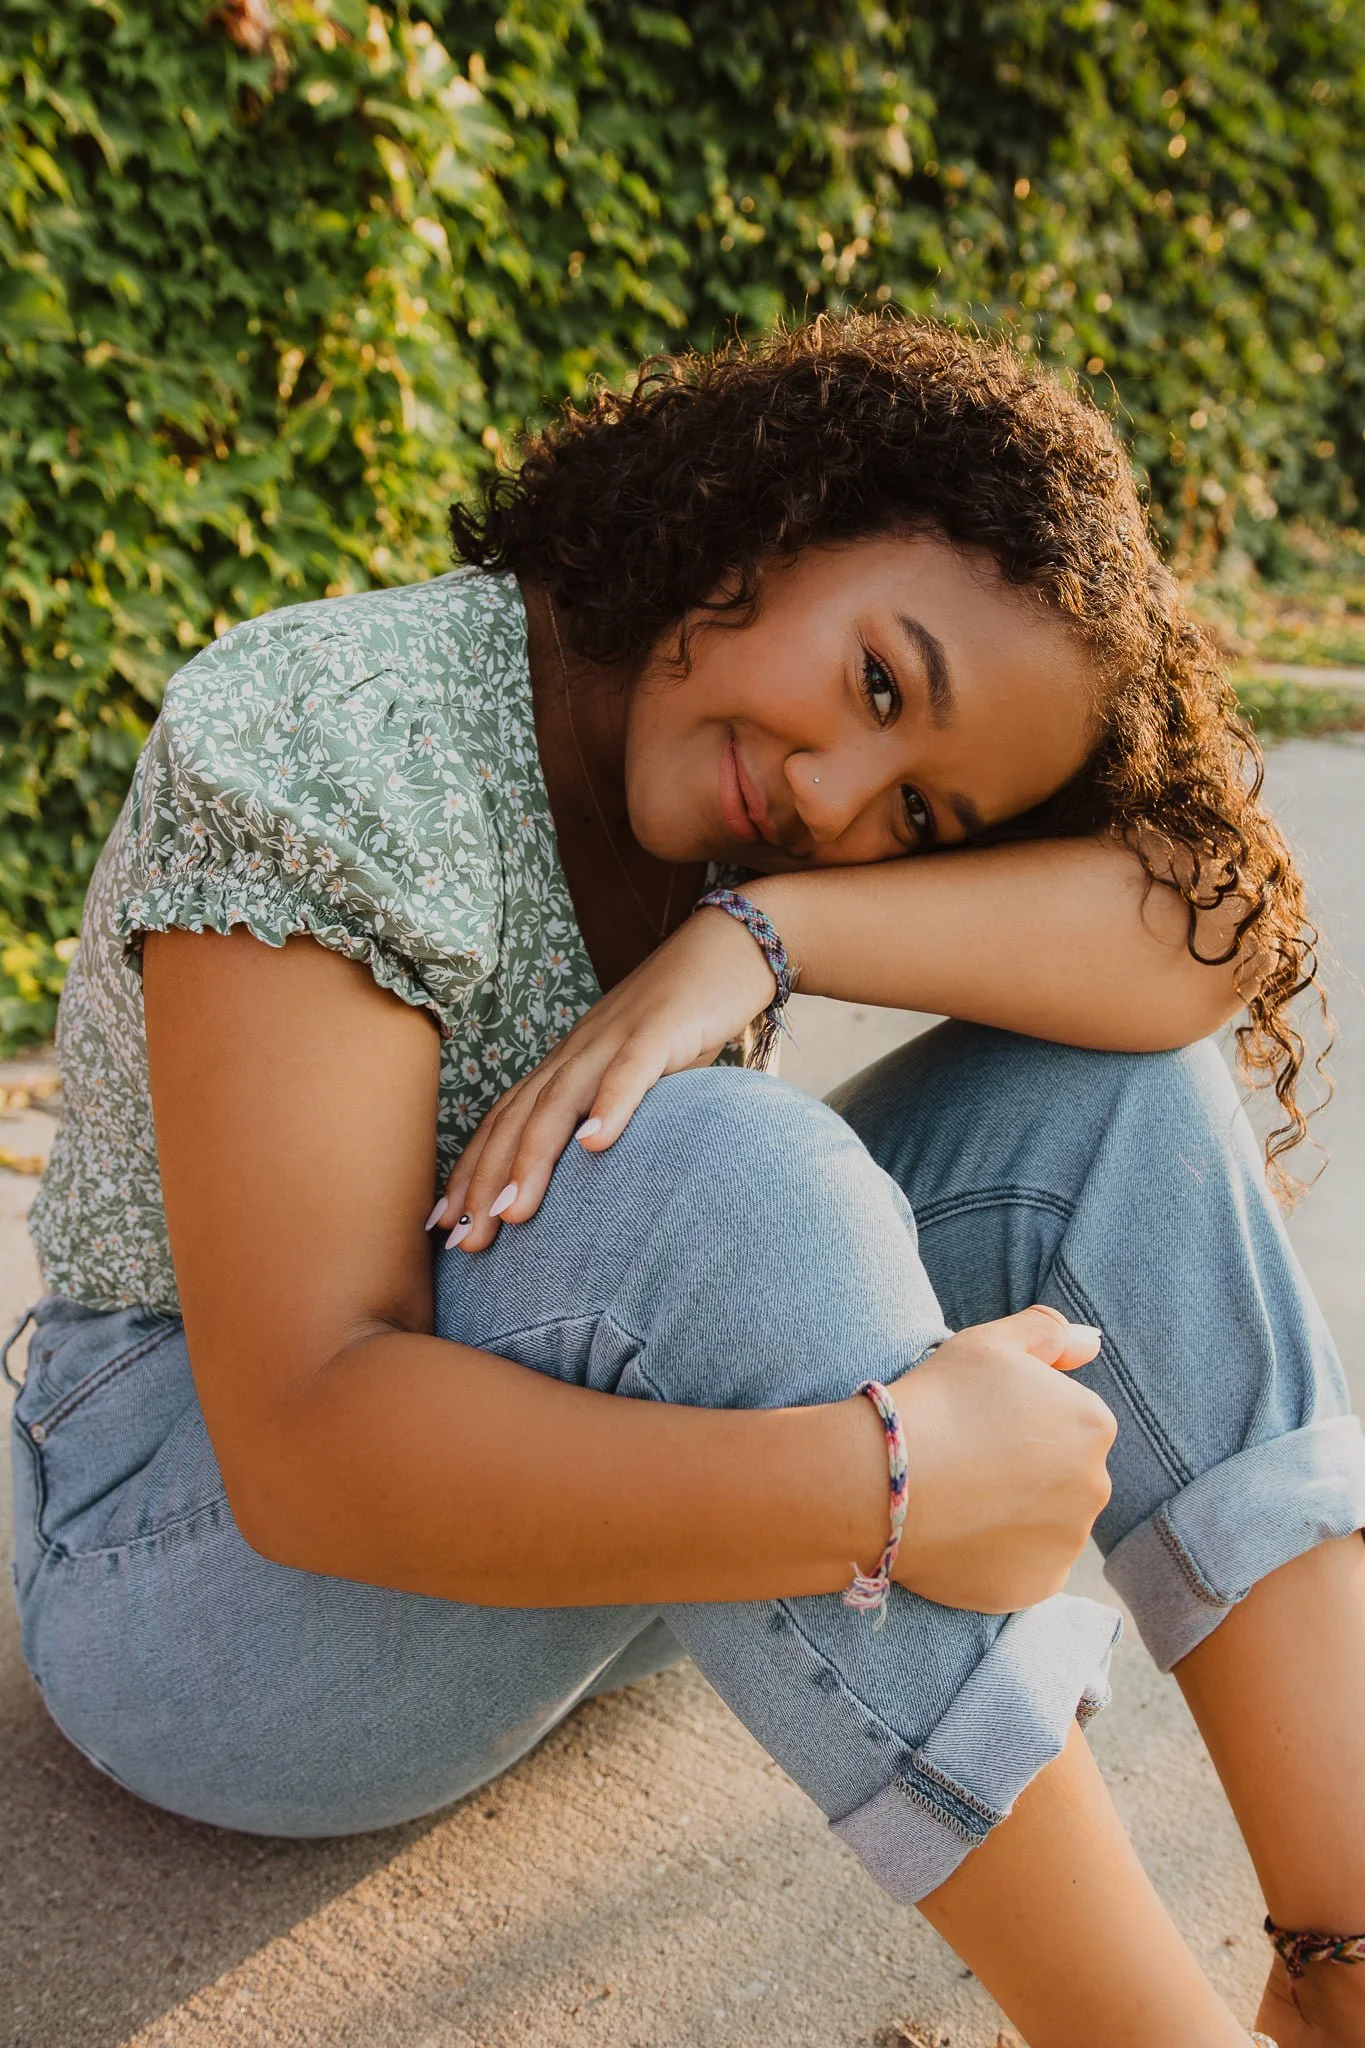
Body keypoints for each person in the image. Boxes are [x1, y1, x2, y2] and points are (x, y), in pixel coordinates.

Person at [7, 314, 1364, 2048]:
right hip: (202, 1595)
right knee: (732, 1180)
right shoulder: (332, 745)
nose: (835, 795)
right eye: (879, 683)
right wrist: (897, 1473)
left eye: (925, 817)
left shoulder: (756, 858)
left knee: (1117, 1107)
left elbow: (1205, 931)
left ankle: (1344, 1972)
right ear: (773, 512)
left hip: (615, 1525)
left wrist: (766, 936)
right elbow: (302, 1451)